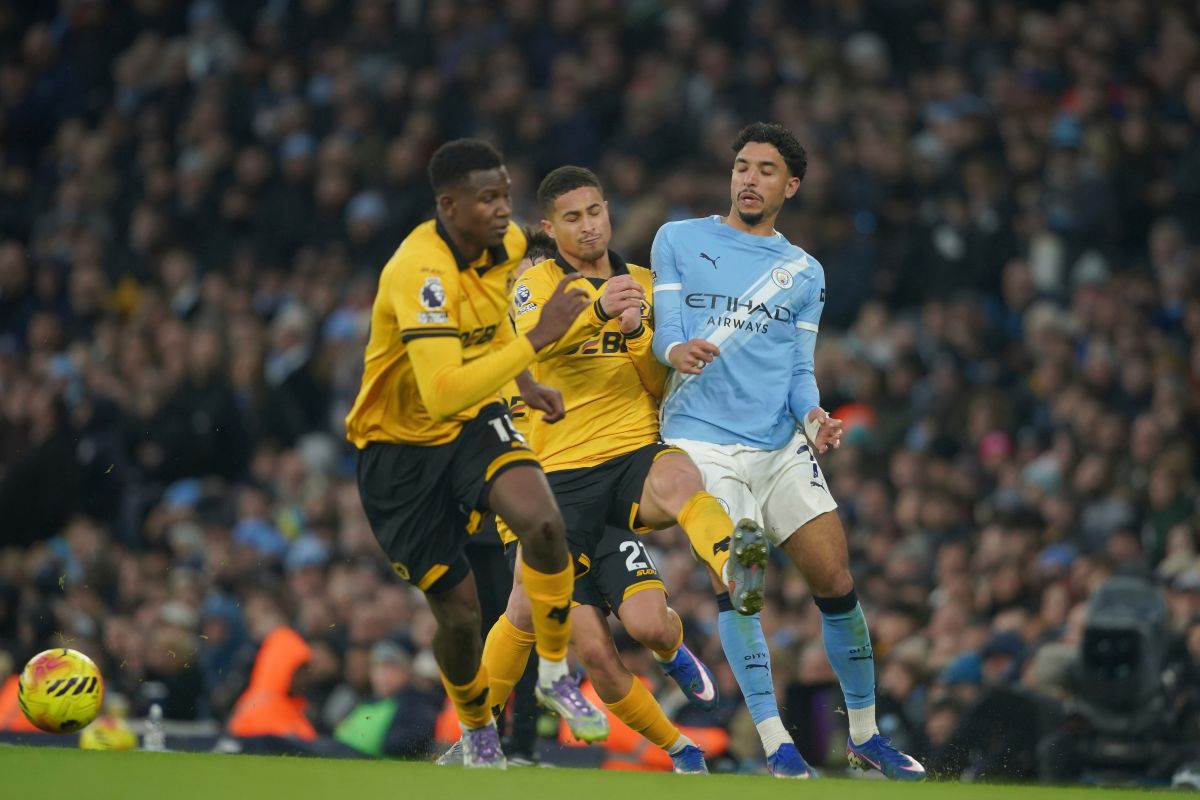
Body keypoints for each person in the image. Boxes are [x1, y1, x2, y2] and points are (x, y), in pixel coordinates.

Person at [449, 166, 772, 774]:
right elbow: (533, 345)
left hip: (629, 453)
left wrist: (639, 334)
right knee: (566, 634)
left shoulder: (647, 285)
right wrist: (598, 312)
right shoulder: (534, 282)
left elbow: (657, 383)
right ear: (551, 227)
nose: (588, 225)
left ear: (607, 212)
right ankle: (675, 747)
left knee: (680, 484)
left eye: (594, 211)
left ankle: (735, 564)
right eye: (572, 217)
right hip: (557, 481)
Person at [650, 122, 926, 781]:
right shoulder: (678, 239)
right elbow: (666, 328)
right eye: (742, 165)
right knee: (739, 586)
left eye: (765, 170)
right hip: (700, 440)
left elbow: (800, 369)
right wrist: (674, 352)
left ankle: (864, 736)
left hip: (779, 445)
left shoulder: (804, 272)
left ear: (790, 185)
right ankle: (777, 744)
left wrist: (813, 415)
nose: (749, 178)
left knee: (836, 580)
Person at [344, 138, 604, 768]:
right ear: (449, 205)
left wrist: (525, 383)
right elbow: (437, 393)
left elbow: (492, 329)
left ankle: (553, 671)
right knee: (460, 617)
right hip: (398, 453)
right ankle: (475, 723)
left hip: (471, 423)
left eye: (506, 194)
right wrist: (540, 341)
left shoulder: (511, 245)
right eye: (487, 198)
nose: (502, 209)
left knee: (544, 524)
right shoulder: (419, 272)